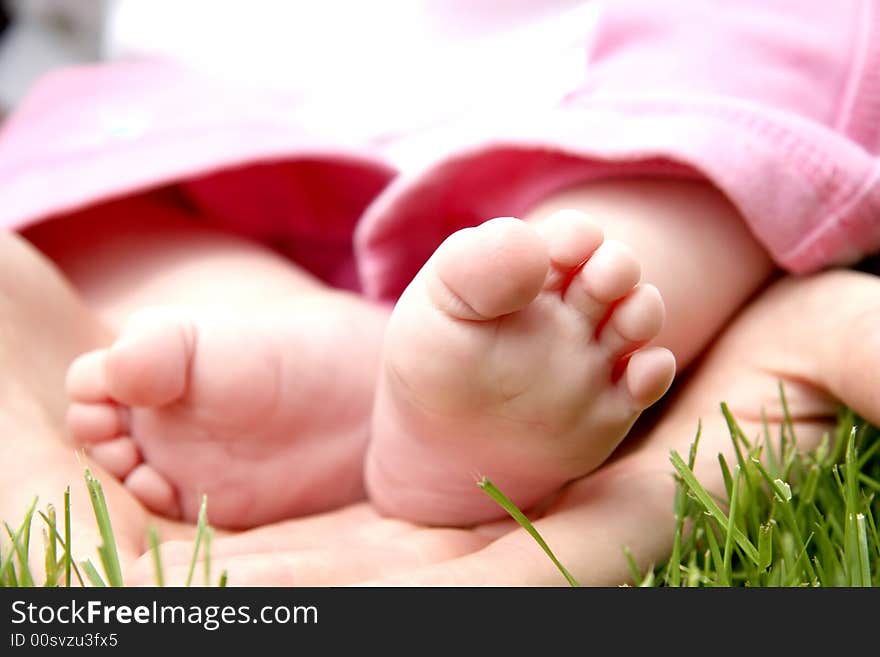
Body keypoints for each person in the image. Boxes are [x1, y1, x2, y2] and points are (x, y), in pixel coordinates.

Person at [3, 0, 879, 536]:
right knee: (72, 145)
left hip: (584, 98)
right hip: (219, 132)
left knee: (768, 41)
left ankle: (538, 333)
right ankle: (308, 344)